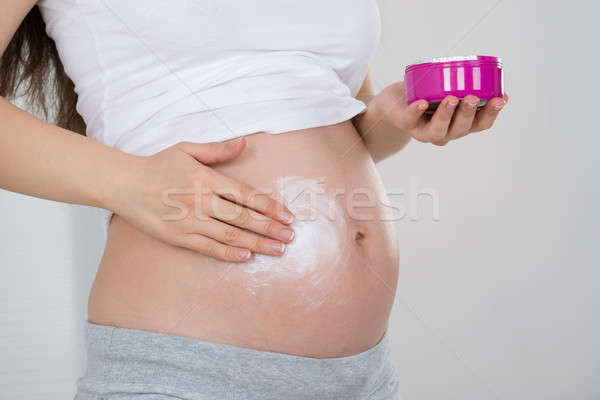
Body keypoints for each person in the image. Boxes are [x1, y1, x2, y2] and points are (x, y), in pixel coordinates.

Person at [0, 1, 508, 399]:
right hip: (186, 370)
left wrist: (391, 117)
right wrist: (132, 183)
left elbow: (341, 126)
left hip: (363, 376)